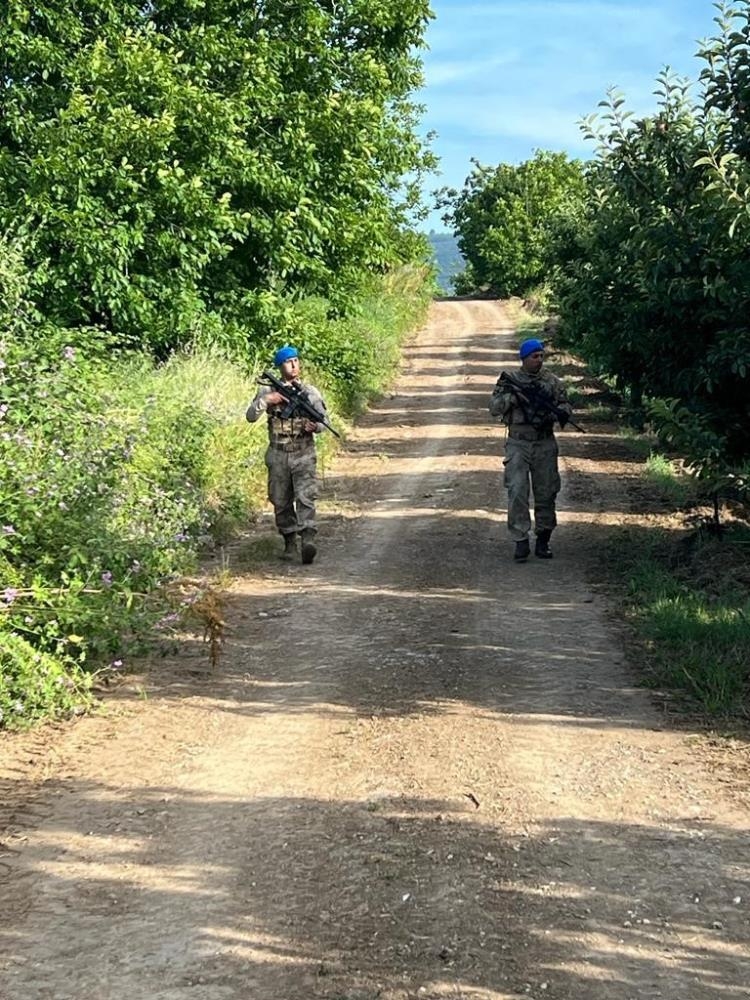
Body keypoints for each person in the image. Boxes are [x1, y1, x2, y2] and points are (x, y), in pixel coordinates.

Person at [489, 337, 573, 562]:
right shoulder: (510, 381)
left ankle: (544, 538)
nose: (539, 360)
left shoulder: (552, 382)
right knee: (517, 490)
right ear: (524, 358)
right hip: (518, 441)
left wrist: (554, 412)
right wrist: (513, 398)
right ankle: (520, 540)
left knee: (546, 491)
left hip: (544, 441)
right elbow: (494, 408)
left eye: (541, 356)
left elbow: (565, 406)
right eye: (534, 356)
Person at [246, 345, 329, 564]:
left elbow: (324, 421)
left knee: (306, 497)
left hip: (303, 452)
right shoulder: (268, 391)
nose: (293, 365)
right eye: (287, 361)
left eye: (295, 360)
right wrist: (267, 400)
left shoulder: (309, 392)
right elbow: (250, 416)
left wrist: (315, 427)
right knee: (280, 500)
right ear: (280, 366)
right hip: (278, 452)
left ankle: (308, 539)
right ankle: (289, 542)